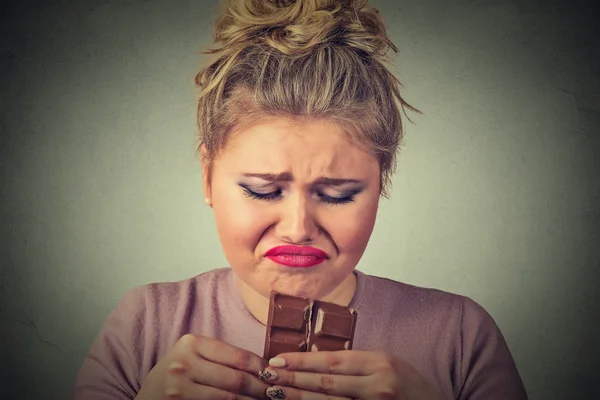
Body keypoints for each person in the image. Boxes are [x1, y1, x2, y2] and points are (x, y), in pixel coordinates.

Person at [73, 0, 528, 399]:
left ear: (381, 184)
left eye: (338, 194)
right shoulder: (147, 324)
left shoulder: (460, 335)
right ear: (208, 177)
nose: (297, 227)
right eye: (263, 190)